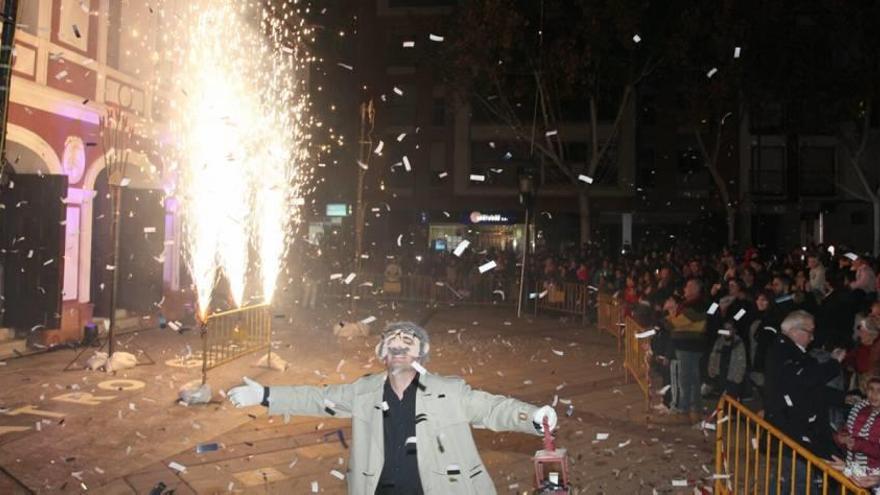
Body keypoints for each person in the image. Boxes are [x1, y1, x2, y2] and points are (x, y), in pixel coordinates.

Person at [227, 322, 558, 495]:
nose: (400, 347)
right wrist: (266, 395)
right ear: (382, 354)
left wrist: (533, 416)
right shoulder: (363, 391)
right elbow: (318, 398)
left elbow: (492, 409)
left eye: (408, 343)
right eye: (392, 344)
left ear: (420, 355)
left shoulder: (449, 391)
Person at [830, 376, 880, 488]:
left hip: (874, 476)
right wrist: (840, 439)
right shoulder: (858, 410)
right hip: (853, 471)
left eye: (879, 390)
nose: (874, 394)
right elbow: (845, 432)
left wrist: (858, 444)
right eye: (871, 389)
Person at [707, 321, 747, 399]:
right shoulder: (719, 342)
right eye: (725, 329)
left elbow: (742, 362)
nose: (727, 331)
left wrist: (738, 378)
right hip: (721, 376)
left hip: (732, 379)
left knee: (732, 402)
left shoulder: (738, 343)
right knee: (722, 401)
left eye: (729, 329)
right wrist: (711, 370)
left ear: (734, 330)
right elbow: (713, 356)